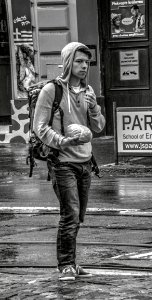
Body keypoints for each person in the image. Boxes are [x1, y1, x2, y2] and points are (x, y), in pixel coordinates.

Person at [33, 42, 105, 280]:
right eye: (79, 61)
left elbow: (98, 127)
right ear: (67, 63)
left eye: (87, 62)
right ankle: (65, 264)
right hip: (62, 163)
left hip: (85, 162)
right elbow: (39, 127)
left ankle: (72, 262)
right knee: (70, 214)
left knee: (78, 215)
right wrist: (62, 141)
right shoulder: (51, 90)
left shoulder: (88, 92)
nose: (84, 66)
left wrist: (94, 107)